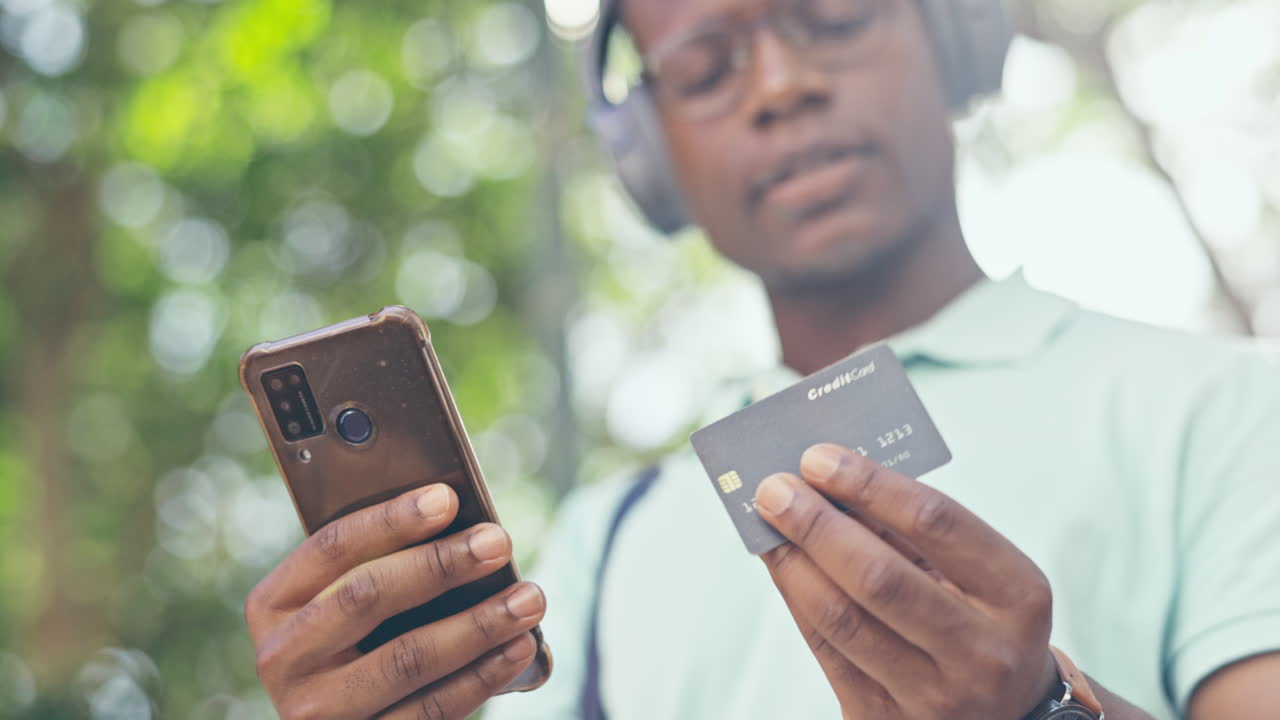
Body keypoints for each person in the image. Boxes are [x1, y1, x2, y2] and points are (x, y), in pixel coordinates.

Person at [243, 0, 1280, 717]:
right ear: (646, 151)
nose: (778, 86)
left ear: (952, 31)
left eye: (831, 19)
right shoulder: (606, 541)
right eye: (703, 68)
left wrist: (1042, 715)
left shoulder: (1229, 408)